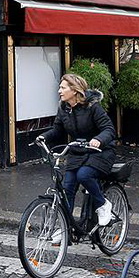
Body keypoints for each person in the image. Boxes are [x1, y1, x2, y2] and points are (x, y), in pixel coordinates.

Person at [38, 73, 116, 226]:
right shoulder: (64, 108)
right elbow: (57, 129)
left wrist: (98, 140)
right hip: (78, 151)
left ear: (74, 90)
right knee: (67, 188)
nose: (59, 91)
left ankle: (103, 205)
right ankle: (65, 228)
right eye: (60, 88)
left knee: (84, 175)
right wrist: (43, 137)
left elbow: (109, 129)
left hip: (100, 152)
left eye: (63, 88)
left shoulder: (92, 107)